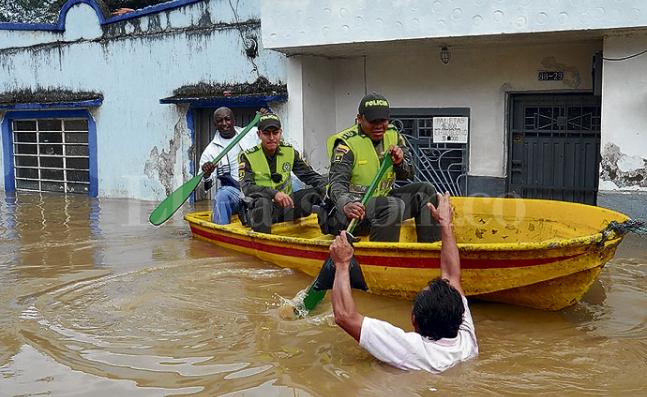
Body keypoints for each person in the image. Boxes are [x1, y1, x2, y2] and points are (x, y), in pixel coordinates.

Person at [330, 192, 478, 373]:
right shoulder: (466, 340)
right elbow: (452, 275)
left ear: (413, 320)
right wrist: (446, 224)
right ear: (460, 315)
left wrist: (342, 264)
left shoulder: (412, 349)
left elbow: (344, 317)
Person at [325, 93, 440, 242]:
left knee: (426, 190)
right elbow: (336, 183)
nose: (379, 126)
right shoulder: (346, 145)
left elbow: (409, 173)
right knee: (392, 205)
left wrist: (399, 163)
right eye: (373, 121)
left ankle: (430, 252)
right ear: (359, 119)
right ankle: (383, 261)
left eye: (383, 120)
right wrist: (347, 204)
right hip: (348, 215)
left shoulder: (393, 135)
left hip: (381, 205)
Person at [238, 113, 327, 234]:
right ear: (259, 134)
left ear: (280, 133)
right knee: (263, 202)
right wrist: (274, 194)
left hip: (285, 207)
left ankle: (332, 234)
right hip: (258, 211)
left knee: (318, 192)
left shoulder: (289, 152)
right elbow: (247, 188)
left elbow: (309, 176)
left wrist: (328, 188)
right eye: (266, 133)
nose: (271, 138)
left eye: (275, 133)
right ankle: (264, 244)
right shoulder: (247, 156)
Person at [199, 107, 259, 224]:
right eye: (220, 121)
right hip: (235, 193)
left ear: (233, 120)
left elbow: (271, 136)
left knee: (292, 183)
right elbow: (204, 187)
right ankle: (222, 232)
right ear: (215, 124)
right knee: (221, 196)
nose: (225, 124)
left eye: (227, 119)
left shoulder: (251, 133)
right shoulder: (210, 151)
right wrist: (206, 174)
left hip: (257, 187)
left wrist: (264, 118)